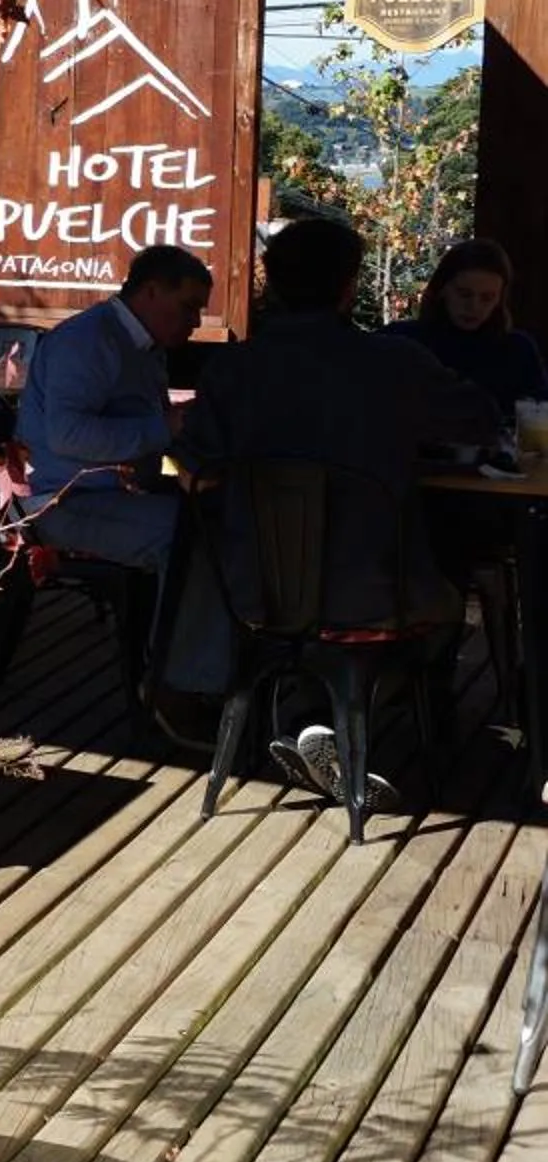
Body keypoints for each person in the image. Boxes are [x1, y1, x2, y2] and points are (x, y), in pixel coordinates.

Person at [161, 218, 496, 789]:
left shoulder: (232, 369)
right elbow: (482, 420)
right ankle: (329, 718)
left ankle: (304, 712)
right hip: (375, 594)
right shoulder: (394, 363)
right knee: (444, 612)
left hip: (255, 591)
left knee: (299, 617)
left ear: (274, 284)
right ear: (349, 287)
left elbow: (193, 464)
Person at [18, 243, 214, 576]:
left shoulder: (144, 345)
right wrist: (167, 426)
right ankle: (168, 629)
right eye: (189, 306)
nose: (195, 320)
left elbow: (157, 429)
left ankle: (165, 626)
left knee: (221, 516)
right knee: (192, 539)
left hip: (113, 493)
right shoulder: (88, 340)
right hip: (60, 502)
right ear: (151, 291)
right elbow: (67, 435)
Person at [382, 238, 548, 420]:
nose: (474, 306)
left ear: (499, 300)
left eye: (487, 298)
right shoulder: (401, 341)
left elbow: (538, 419)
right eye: (464, 294)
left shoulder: (518, 351)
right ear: (443, 289)